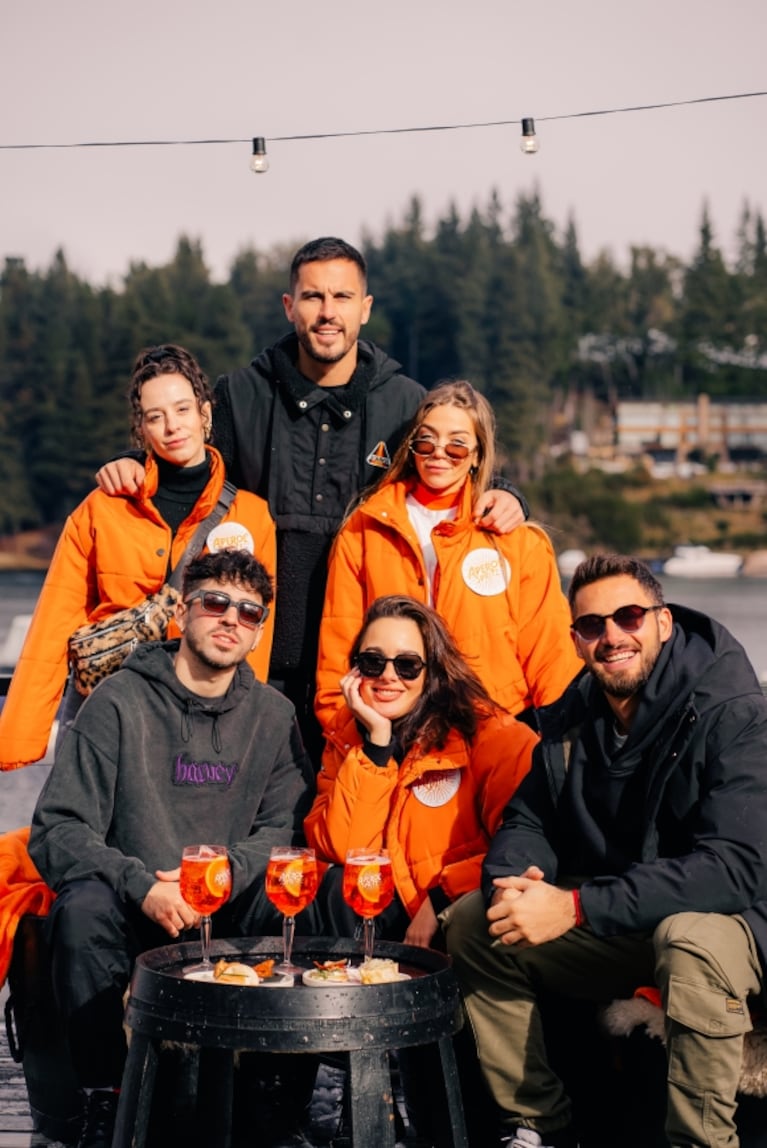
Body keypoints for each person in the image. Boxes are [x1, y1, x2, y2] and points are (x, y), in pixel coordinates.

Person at [96, 238, 528, 765]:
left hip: (366, 673)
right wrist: (132, 461)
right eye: (313, 297)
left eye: (342, 297)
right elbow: (188, 461)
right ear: (289, 305)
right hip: (253, 658)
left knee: (351, 822)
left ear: (365, 309)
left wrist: (508, 496)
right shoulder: (241, 395)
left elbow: (452, 465)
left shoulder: (404, 404)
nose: (328, 313)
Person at [441, 554, 767, 1148]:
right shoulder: (574, 715)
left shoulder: (731, 710)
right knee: (475, 922)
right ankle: (538, 1126)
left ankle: (701, 1142)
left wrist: (577, 907)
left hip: (736, 923)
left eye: (629, 616)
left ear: (663, 623)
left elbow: (735, 869)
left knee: (687, 937)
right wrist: (514, 882)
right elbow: (527, 820)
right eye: (593, 625)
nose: (612, 635)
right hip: (628, 918)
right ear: (575, 639)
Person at [28, 548, 318, 1148]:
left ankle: (272, 1099)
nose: (230, 619)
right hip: (136, 907)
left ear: (259, 630)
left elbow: (282, 831)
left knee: (296, 902)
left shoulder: (273, 714)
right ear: (183, 614)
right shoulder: (117, 701)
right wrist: (144, 886)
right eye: (215, 603)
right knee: (80, 910)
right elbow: (59, 828)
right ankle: (103, 1098)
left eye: (249, 612)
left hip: (229, 908)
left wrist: (225, 874)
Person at [306, 593, 538, 1146]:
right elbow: (342, 846)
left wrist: (444, 897)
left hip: (458, 916)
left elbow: (529, 843)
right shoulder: (348, 734)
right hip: (384, 918)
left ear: (434, 667)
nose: (388, 676)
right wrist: (377, 745)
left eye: (407, 664)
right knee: (335, 888)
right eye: (371, 662)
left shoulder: (494, 735)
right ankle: (348, 1084)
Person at [0, 344, 275, 771]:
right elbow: (54, 620)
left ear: (205, 414)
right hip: (106, 710)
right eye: (155, 416)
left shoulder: (252, 516)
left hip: (198, 715)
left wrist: (240, 730)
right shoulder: (102, 507)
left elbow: (255, 635)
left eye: (182, 409)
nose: (172, 427)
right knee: (74, 832)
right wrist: (16, 737)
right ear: (140, 428)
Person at [316, 380, 581, 732]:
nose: (439, 453)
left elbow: (550, 653)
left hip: (493, 727)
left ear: (477, 455)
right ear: (411, 448)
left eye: (457, 445)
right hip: (394, 728)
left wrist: (563, 740)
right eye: (426, 440)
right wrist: (343, 735)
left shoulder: (517, 540)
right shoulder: (364, 530)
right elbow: (339, 644)